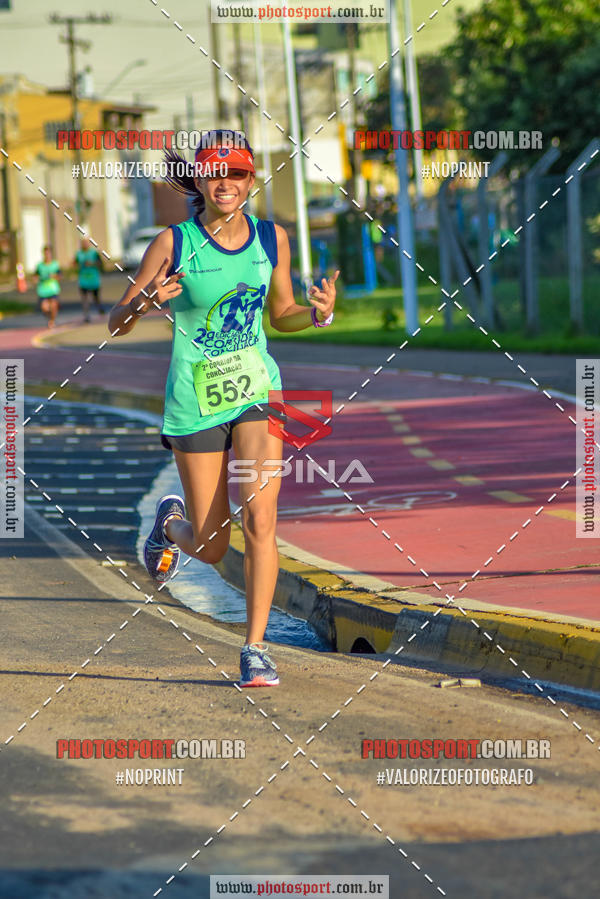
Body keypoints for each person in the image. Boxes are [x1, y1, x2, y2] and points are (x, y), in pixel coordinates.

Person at [107, 129, 339, 688]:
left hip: (258, 391)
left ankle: (255, 649)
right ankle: (171, 524)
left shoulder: (271, 238)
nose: (226, 182)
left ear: (250, 179)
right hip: (195, 398)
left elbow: (280, 312)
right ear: (202, 181)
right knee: (213, 548)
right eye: (216, 172)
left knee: (262, 517)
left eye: (236, 172)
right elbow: (116, 322)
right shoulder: (173, 243)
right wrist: (144, 301)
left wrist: (318, 314)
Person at [75, 237, 104, 322]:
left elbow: (101, 263)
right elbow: (75, 263)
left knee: (96, 298)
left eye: (86, 242)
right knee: (85, 299)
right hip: (83, 280)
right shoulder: (79, 254)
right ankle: (86, 316)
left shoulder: (94, 253)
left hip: (94, 280)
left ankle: (100, 309)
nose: (84, 244)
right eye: (83, 243)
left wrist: (92, 263)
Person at [34, 245, 61, 329]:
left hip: (53, 289)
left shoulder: (55, 265)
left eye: (48, 253)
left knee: (53, 305)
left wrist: (55, 276)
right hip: (43, 290)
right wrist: (35, 279)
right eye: (45, 253)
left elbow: (60, 276)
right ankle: (50, 317)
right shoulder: (40, 265)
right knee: (45, 308)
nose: (47, 255)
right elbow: (35, 276)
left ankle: (52, 321)